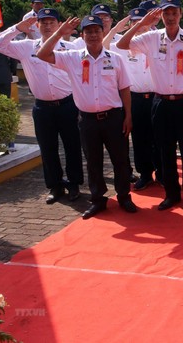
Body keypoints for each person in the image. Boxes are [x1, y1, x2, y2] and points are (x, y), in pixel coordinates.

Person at [36, 15, 137, 219]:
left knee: (120, 160)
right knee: (93, 162)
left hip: (113, 118)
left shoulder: (114, 58)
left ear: (103, 33)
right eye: (88, 31)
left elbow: (125, 88)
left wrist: (128, 116)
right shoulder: (72, 57)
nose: (93, 35)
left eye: (96, 31)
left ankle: (124, 196)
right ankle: (98, 199)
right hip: (88, 120)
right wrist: (59, 33)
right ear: (82, 35)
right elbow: (43, 54)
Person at [116, 0, 183, 211]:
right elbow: (122, 43)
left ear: (181, 14)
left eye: (174, 13)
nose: (171, 17)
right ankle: (172, 195)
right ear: (161, 16)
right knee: (165, 152)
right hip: (161, 103)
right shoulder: (151, 38)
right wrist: (140, 24)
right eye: (166, 13)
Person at [0, 8, 84, 204]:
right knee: (47, 147)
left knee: (72, 145)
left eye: (52, 22)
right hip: (42, 107)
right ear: (37, 25)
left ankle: (74, 183)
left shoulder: (69, 48)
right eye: (44, 22)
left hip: (68, 104)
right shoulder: (26, 47)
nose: (48, 25)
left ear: (59, 25)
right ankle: (55, 185)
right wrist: (17, 28)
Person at [103, 7, 160, 190]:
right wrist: (114, 30)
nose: (140, 26)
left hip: (157, 97)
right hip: (135, 99)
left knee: (159, 138)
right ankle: (145, 174)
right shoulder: (122, 45)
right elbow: (104, 48)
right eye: (135, 23)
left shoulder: (158, 39)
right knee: (139, 138)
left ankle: (163, 173)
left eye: (143, 22)